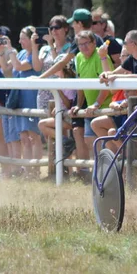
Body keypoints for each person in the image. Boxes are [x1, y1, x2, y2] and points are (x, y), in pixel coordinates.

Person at [0, 26, 43, 178]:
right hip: (20, 99)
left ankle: (35, 170)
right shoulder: (22, 53)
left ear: (31, 39)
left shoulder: (36, 55)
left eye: (23, 38)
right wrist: (1, 52)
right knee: (24, 137)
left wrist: (10, 49)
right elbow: (8, 70)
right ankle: (28, 170)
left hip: (31, 98)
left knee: (34, 136)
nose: (20, 41)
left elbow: (18, 66)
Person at [69, 30, 112, 181]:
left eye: (87, 43)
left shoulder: (101, 57)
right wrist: (79, 105)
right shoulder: (79, 58)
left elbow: (107, 85)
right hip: (92, 108)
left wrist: (96, 104)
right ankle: (97, 175)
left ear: (94, 43)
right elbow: (81, 85)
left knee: (102, 143)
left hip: (107, 107)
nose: (83, 47)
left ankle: (106, 175)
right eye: (80, 44)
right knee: (89, 141)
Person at [32, 15, 72, 110]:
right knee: (43, 123)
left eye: (57, 27)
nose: (54, 31)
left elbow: (59, 65)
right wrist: (34, 46)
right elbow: (37, 68)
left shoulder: (70, 48)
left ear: (66, 29)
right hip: (43, 93)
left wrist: (51, 45)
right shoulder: (44, 49)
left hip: (61, 94)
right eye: (51, 28)